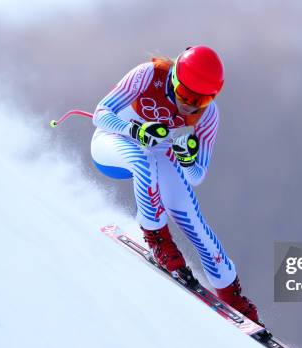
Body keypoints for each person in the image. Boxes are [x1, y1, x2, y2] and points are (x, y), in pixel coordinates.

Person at [90, 45, 261, 324]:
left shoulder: (208, 115)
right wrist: (135, 129)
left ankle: (234, 296)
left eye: (200, 100)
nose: (189, 105)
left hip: (155, 150)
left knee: (191, 217)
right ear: (174, 79)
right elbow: (101, 113)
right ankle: (159, 241)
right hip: (112, 142)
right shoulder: (149, 75)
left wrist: (187, 158)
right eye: (185, 94)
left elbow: (197, 176)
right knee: (141, 163)